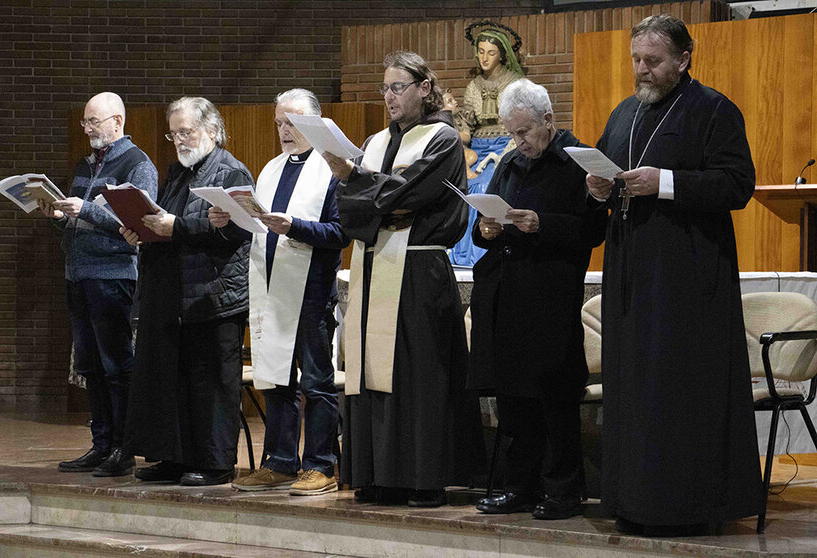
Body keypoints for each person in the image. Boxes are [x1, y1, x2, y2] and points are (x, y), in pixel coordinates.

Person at [585, 15, 763, 534]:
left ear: (684, 59)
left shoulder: (713, 110)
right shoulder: (624, 114)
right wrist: (598, 189)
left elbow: (736, 185)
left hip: (687, 279)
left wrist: (662, 183)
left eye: (653, 61)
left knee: (676, 391)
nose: (641, 70)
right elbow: (606, 171)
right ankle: (631, 500)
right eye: (636, 59)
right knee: (633, 389)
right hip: (628, 275)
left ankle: (684, 506)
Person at [323, 50, 484, 508]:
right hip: (372, 263)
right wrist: (373, 197)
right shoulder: (374, 142)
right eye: (385, 88)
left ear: (424, 88)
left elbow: (410, 191)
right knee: (370, 373)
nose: (389, 96)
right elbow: (350, 207)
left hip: (418, 269)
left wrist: (363, 187)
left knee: (417, 375)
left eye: (398, 87)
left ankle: (423, 478)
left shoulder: (443, 139)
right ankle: (377, 475)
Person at [469, 79, 607, 519]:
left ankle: (563, 491)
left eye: (525, 132)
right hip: (509, 295)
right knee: (514, 402)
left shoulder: (576, 163)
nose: (518, 142)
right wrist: (485, 230)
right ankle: (520, 488)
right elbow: (486, 222)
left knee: (553, 400)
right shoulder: (509, 162)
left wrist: (541, 224)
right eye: (512, 133)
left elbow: (595, 230)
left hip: (551, 296)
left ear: (548, 120)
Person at [221, 89, 348, 495]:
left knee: (316, 382)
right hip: (270, 286)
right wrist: (232, 218)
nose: (283, 131)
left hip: (311, 292)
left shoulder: (334, 169)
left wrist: (294, 227)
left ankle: (320, 466)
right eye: (278, 123)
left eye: (291, 122)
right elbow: (260, 228)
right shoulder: (271, 168)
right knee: (275, 379)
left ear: (314, 123)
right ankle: (279, 462)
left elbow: (341, 233)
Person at [121, 97, 253, 487]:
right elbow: (165, 221)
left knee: (210, 383)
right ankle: (174, 458)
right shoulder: (177, 172)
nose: (179, 140)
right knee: (172, 380)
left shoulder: (231, 171)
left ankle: (215, 464)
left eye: (186, 132)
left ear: (211, 131)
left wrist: (173, 227)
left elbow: (235, 230)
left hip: (213, 295)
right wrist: (140, 230)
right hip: (174, 295)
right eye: (173, 133)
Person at [39, 92, 157, 477]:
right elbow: (81, 220)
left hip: (112, 275)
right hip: (77, 273)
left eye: (94, 121)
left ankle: (123, 448)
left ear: (118, 122)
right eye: (85, 122)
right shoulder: (85, 164)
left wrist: (83, 208)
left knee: (115, 365)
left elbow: (140, 221)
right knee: (89, 365)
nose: (87, 128)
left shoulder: (138, 164)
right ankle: (101, 444)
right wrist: (57, 214)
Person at [450, 21, 524, 267]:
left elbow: (520, 124)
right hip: (477, 149)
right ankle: (460, 255)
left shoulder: (514, 83)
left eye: (490, 52)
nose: (484, 57)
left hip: (505, 146)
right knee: (461, 188)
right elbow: (468, 127)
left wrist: (506, 153)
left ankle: (478, 255)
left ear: (502, 55)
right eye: (481, 51)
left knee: (482, 189)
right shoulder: (473, 86)